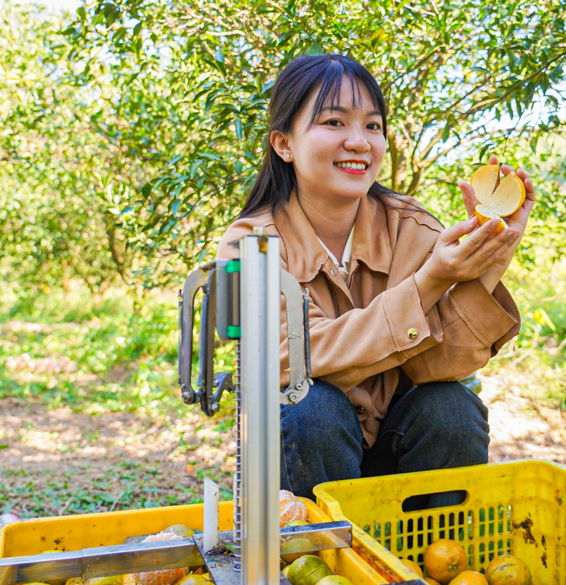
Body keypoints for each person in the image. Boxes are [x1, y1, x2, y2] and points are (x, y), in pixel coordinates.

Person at [217, 54, 535, 504]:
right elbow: (290, 360)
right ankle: (320, 556)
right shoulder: (246, 245)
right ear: (284, 144)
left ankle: (434, 556)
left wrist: (491, 260)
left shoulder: (413, 227)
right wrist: (430, 281)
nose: (359, 142)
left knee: (451, 408)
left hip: (394, 450)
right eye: (334, 122)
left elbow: (438, 366)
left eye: (373, 126)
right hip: (301, 458)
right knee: (312, 408)